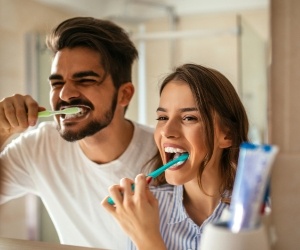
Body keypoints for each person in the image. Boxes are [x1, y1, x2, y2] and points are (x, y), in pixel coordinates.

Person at [0, 17, 160, 249]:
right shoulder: (40, 146)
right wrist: (2, 132)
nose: (65, 95)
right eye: (57, 83)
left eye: (84, 80)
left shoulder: (164, 156)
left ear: (124, 95)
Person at [102, 63, 249, 249]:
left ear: (227, 135)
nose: (167, 131)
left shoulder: (256, 213)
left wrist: (148, 240)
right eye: (162, 118)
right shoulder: (144, 209)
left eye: (189, 118)